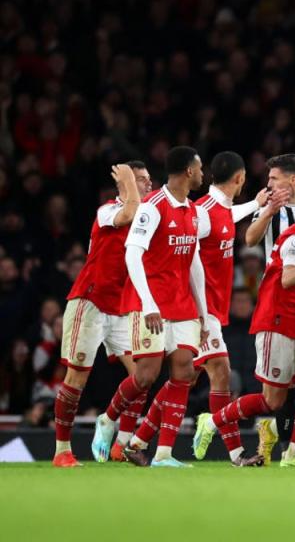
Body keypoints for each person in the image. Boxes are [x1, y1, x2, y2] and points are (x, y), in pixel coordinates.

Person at [192, 183, 295, 466]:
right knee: (273, 401)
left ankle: (292, 455)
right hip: (278, 321)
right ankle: (212, 421)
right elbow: (288, 278)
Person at [94, 146, 209, 467]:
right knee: (145, 376)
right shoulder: (152, 207)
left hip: (182, 304)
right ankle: (108, 418)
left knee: (184, 371)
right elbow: (132, 252)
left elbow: (194, 261)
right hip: (151, 302)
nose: (203, 173)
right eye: (200, 168)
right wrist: (148, 304)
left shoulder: (193, 210)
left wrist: (203, 309)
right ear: (188, 171)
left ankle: (163, 454)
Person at [53, 162, 149, 467]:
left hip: (121, 307)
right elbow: (128, 213)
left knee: (142, 377)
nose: (148, 185)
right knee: (76, 377)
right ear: (125, 182)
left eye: (149, 180)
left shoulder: (148, 215)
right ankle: (62, 450)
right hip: (90, 301)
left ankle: (121, 444)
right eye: (141, 180)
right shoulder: (107, 210)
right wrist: (127, 184)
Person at [187, 151, 266, 466]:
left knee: (185, 379)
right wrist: (199, 311)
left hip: (211, 310)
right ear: (241, 178)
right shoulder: (203, 212)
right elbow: (185, 258)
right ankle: (235, 453)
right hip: (198, 311)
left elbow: (226, 217)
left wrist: (259, 205)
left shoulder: (219, 209)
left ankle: (134, 441)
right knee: (219, 373)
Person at [244, 153, 295, 462]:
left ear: (292, 181)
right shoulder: (274, 211)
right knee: (279, 392)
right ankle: (290, 447)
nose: (268, 185)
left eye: (273, 179)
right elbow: (251, 238)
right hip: (279, 303)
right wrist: (268, 210)